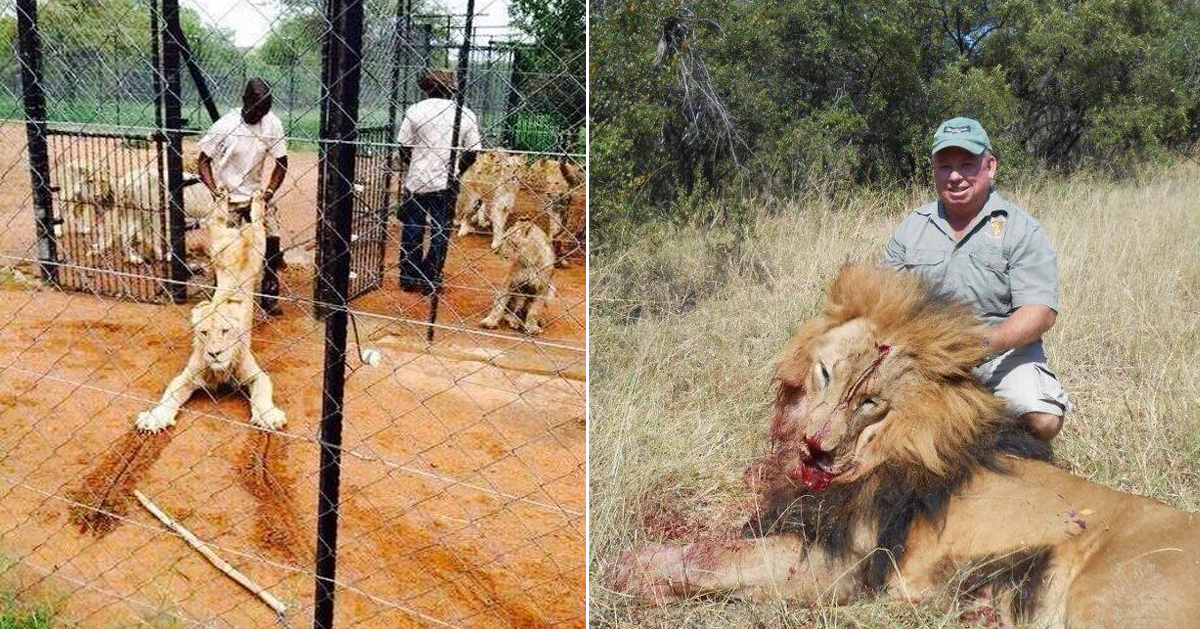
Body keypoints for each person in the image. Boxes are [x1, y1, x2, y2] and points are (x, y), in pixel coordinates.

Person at [882, 117, 1069, 441]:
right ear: (933, 170)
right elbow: (883, 299)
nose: (955, 176)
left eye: (967, 165)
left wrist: (980, 345)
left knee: (1043, 419)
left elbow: (1040, 313)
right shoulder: (912, 228)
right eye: (945, 166)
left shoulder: (1021, 229)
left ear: (990, 166)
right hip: (924, 354)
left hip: (1001, 352)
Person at [196, 78, 289, 315]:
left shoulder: (272, 124)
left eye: (265, 109)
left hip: (257, 195)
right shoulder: (224, 126)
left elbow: (282, 162)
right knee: (226, 247)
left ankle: (269, 292)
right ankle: (221, 290)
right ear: (245, 101)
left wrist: (268, 192)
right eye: (256, 108)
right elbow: (203, 160)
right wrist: (214, 189)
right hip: (228, 196)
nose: (260, 114)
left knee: (272, 241)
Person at [396, 68, 481, 294]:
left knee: (413, 226)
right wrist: (456, 171)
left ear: (425, 88)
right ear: (451, 90)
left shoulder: (415, 110)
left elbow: (403, 147)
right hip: (446, 181)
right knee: (440, 230)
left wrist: (414, 165)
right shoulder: (465, 113)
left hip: (417, 179)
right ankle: (430, 276)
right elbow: (472, 153)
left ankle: (408, 276)